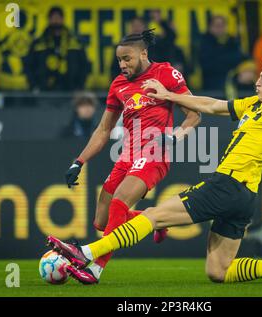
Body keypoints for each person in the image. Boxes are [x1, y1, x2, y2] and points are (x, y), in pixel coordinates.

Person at [48, 57, 262, 285]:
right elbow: (213, 105)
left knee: (153, 216)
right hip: (244, 197)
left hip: (227, 185)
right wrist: (170, 96)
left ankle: (86, 254)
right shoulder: (254, 105)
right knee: (218, 271)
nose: (257, 81)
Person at [61, 29, 200, 284]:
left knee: (120, 202)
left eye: (127, 59)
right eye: (119, 60)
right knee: (102, 221)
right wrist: (78, 161)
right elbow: (103, 130)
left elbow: (195, 114)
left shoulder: (166, 74)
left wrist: (174, 137)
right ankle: (154, 221)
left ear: (143, 53)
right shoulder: (118, 85)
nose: (122, 65)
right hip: (127, 155)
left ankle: (94, 269)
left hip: (154, 153)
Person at [24, 6, 91, 92]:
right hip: (44, 90)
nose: (56, 21)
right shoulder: (38, 43)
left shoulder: (75, 42)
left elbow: (84, 65)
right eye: (53, 18)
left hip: (70, 90)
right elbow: (28, 66)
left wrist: (79, 86)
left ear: (63, 19)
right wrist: (34, 86)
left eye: (58, 17)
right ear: (48, 19)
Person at [199, 15, 245, 91]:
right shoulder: (204, 43)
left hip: (233, 84)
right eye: (217, 26)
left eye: (222, 25)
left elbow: (241, 58)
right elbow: (208, 65)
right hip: (212, 87)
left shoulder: (232, 41)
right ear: (210, 27)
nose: (220, 29)